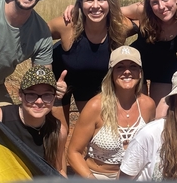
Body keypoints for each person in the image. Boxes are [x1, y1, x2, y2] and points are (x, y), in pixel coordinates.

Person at [49, 0, 135, 170]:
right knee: (59, 133)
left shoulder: (120, 27)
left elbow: (146, 12)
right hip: (59, 82)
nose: (95, 6)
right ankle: (59, 174)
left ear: (110, 2)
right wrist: (45, 74)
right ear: (80, 3)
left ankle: (92, 171)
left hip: (91, 82)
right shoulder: (67, 24)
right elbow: (35, 35)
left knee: (100, 132)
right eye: (89, 0)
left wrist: (118, 11)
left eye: (101, 0)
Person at [67, 46, 156, 179]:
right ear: (111, 73)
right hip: (98, 176)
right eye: (120, 67)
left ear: (140, 73)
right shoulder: (96, 106)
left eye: (133, 67)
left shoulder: (148, 105)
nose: (127, 71)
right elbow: (73, 152)